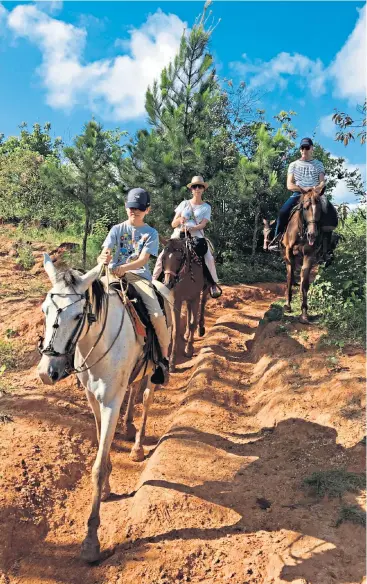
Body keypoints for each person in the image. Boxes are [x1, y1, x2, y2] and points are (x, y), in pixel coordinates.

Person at [97, 187, 170, 385]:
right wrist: (103, 257)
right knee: (89, 301)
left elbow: (143, 260)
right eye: (131, 207)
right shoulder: (116, 229)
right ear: (126, 207)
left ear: (147, 210)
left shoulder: (151, 233)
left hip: (138, 277)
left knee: (156, 314)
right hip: (112, 275)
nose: (134, 211)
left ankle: (163, 358)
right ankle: (74, 353)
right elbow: (104, 252)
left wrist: (124, 267)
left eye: (139, 208)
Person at [153, 175, 222, 298]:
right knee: (162, 256)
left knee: (209, 258)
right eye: (194, 186)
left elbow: (203, 224)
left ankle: (213, 283)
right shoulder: (184, 204)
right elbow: (173, 224)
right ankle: (153, 282)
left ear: (203, 189)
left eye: (200, 186)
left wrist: (192, 228)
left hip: (196, 237)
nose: (197, 189)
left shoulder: (206, 207)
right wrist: (180, 220)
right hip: (178, 236)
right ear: (191, 189)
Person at [269, 137, 329, 252]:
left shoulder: (319, 164)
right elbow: (289, 185)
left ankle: (327, 246)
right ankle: (277, 240)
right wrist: (303, 189)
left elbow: (322, 182)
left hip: (315, 194)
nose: (304, 150)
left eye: (306, 147)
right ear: (300, 149)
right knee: (283, 212)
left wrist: (317, 188)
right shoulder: (293, 165)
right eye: (302, 147)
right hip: (298, 194)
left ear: (312, 148)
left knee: (329, 211)